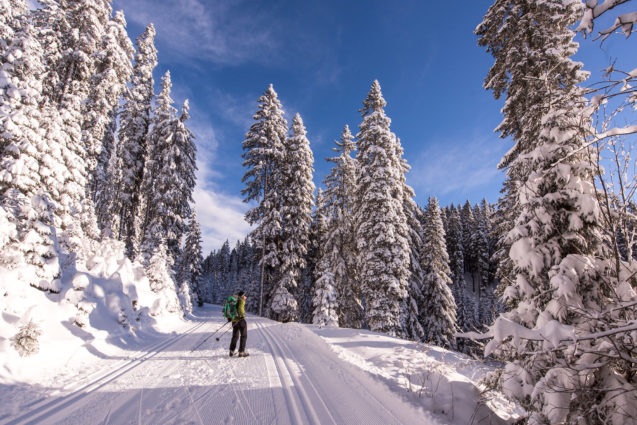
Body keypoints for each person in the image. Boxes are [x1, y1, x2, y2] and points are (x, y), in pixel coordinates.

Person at [229, 291, 248, 357]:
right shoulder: (241, 300)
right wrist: (242, 316)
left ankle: (232, 351)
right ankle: (241, 352)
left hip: (234, 320)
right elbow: (240, 308)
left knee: (235, 336)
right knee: (244, 336)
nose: (246, 297)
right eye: (245, 296)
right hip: (240, 320)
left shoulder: (235, 301)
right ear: (242, 296)